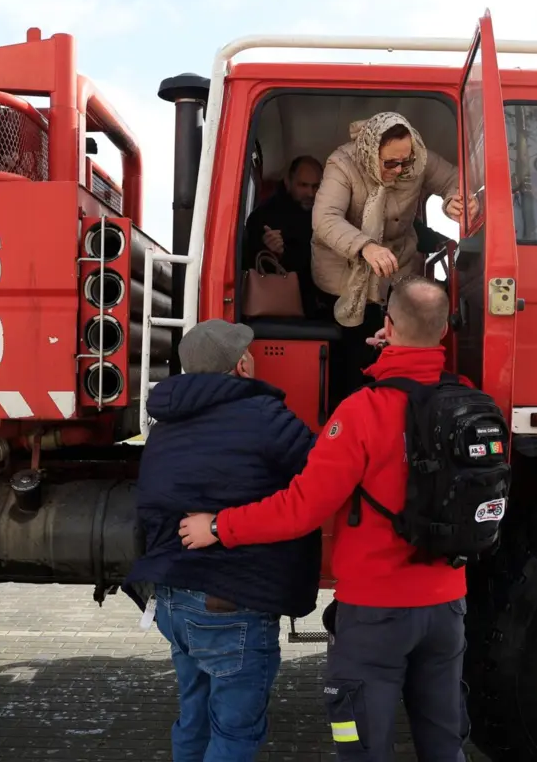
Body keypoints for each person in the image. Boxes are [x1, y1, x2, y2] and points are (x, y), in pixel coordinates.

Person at [178, 277, 472, 762]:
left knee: (362, 748)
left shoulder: (361, 411)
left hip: (375, 615)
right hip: (448, 609)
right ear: (443, 331)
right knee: (444, 746)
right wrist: (396, 353)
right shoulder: (466, 399)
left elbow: (301, 509)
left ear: (387, 325)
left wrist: (218, 527)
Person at [121, 318, 320, 762]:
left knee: (193, 720)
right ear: (241, 366)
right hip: (232, 603)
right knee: (234, 733)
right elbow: (323, 474)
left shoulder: (165, 425)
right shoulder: (265, 416)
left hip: (174, 598)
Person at [310, 112, 465, 404]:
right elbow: (325, 219)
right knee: (352, 355)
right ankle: (350, 410)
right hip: (343, 273)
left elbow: (455, 180)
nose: (400, 169)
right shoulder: (342, 163)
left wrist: (452, 201)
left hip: (396, 267)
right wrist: (365, 246)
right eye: (390, 163)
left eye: (406, 161)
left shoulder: (418, 158)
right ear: (371, 153)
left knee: (391, 352)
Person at [243, 155, 327, 319]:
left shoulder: (328, 214)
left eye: (316, 186)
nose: (310, 193)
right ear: (288, 182)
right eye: (303, 185)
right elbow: (248, 263)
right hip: (280, 309)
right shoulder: (265, 215)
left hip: (322, 302)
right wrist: (272, 251)